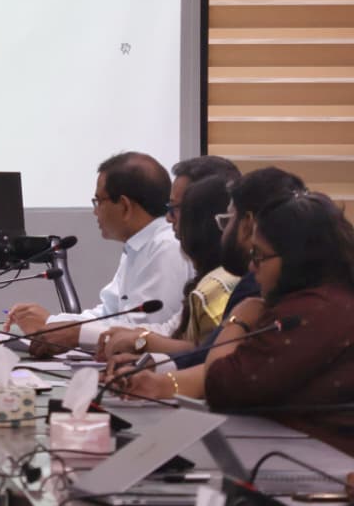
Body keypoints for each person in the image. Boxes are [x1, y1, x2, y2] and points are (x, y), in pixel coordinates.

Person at [115, 192, 354, 452]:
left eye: (259, 255)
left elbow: (222, 384)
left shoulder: (314, 312)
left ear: (296, 257)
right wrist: (162, 383)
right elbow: (245, 365)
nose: (252, 267)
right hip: (293, 448)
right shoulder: (317, 300)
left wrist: (238, 319)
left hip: (323, 459)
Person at [99, 166, 305, 367]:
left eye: (176, 209)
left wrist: (145, 351)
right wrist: (143, 345)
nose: (168, 219)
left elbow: (213, 364)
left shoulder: (232, 287)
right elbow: (196, 346)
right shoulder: (244, 284)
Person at [5, 152, 191, 355]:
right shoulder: (138, 246)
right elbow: (108, 314)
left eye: (98, 201)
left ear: (125, 206)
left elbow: (145, 331)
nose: (95, 211)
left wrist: (69, 331)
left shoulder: (167, 248)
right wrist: (52, 323)